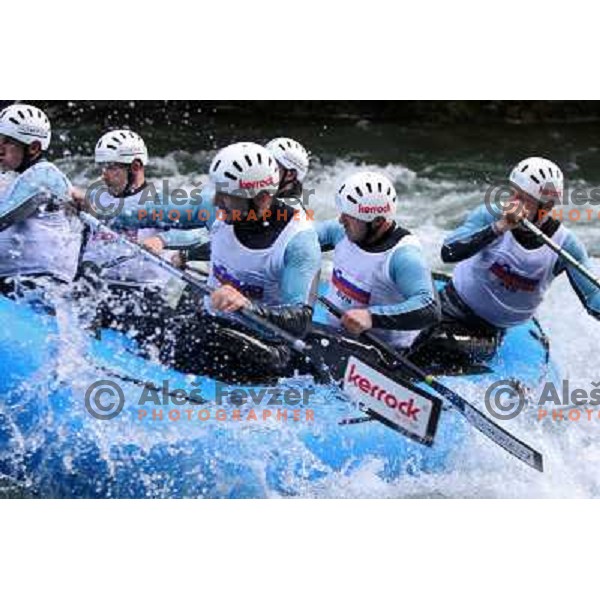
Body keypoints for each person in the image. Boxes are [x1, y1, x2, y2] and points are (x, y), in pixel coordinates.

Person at [124, 142, 322, 381]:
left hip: (266, 347)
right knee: (137, 312)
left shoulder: (299, 241)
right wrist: (95, 208)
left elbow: (299, 321)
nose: (217, 201)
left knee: (202, 336)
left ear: (260, 199)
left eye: (226, 196)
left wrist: (247, 307)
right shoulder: (214, 208)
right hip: (211, 323)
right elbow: (143, 213)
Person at [440, 156, 600, 335]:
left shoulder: (566, 245)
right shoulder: (490, 216)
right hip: (452, 307)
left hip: (491, 331)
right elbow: (448, 252)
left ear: (545, 207)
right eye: (512, 193)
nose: (513, 202)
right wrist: (500, 227)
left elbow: (593, 297)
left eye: (523, 198)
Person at [76, 129, 188, 345]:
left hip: (143, 294)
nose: (104, 175)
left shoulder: (163, 202)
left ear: (135, 167)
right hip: (98, 287)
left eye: (111, 167)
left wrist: (165, 242)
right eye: (103, 167)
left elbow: (200, 234)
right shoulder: (94, 199)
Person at [316, 171, 440, 350]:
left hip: (386, 353)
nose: (341, 220)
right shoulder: (342, 231)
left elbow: (429, 308)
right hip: (336, 337)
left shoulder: (403, 256)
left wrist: (371, 317)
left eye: (350, 216)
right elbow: (298, 239)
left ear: (378, 222)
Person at [0, 103, 82, 304]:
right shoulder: (12, 178)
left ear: (34, 148)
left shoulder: (44, 175)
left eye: (7, 142)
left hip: (35, 286)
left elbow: (4, 216)